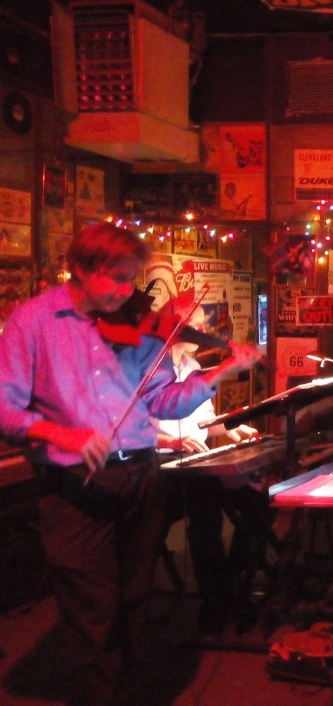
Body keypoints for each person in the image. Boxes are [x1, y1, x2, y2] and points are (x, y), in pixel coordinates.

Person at [0, 221, 263, 706]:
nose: (128, 292)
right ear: (80, 269)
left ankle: (122, 689)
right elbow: (5, 408)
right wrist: (61, 433)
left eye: (132, 280)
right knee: (93, 610)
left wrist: (225, 369)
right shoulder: (32, 322)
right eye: (118, 279)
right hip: (76, 483)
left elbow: (163, 401)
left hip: (141, 474)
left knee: (135, 598)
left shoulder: (135, 327)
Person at [154, 303, 260, 635]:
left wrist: (232, 428)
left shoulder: (193, 365)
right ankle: (216, 604)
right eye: (195, 324)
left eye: (203, 324)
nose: (203, 332)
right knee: (206, 511)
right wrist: (172, 441)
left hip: (194, 461)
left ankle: (230, 587)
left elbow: (205, 421)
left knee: (257, 505)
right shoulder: (148, 366)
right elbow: (129, 427)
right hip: (160, 466)